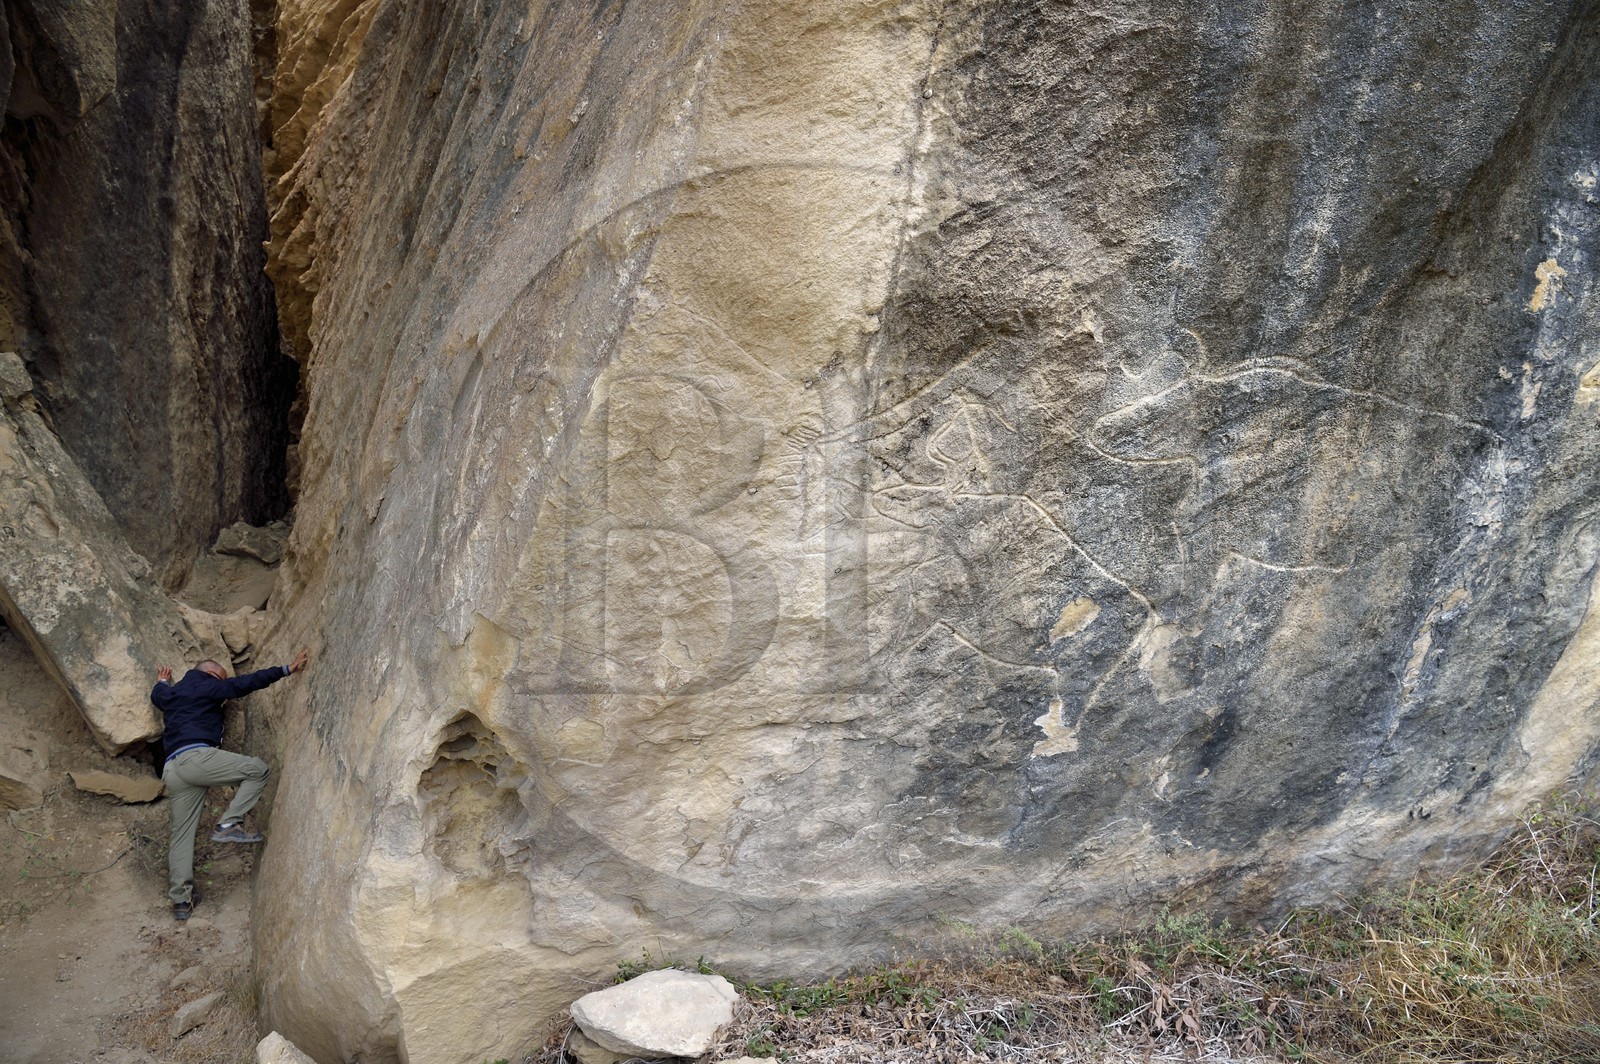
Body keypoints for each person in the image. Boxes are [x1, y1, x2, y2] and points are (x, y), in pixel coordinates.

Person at [150, 650, 308, 920]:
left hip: (172, 769)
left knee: (181, 835)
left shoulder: (173, 693)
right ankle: (228, 823)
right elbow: (242, 684)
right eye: (220, 682)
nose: (222, 695)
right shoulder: (207, 684)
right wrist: (285, 669)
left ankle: (181, 902)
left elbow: (158, 696)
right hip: (197, 758)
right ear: (212, 674)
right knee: (257, 770)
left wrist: (163, 681)